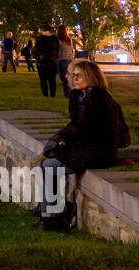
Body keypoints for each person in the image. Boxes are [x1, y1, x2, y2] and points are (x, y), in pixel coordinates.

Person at [34, 60, 122, 231]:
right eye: (73, 75)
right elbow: (75, 122)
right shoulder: (86, 95)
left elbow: (80, 128)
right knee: (47, 164)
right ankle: (51, 212)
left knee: (48, 165)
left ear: (90, 76)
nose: (74, 79)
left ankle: (52, 216)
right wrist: (73, 95)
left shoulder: (96, 98)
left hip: (97, 152)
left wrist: (59, 139)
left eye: (78, 76)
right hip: (88, 147)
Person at [34, 25, 60, 97]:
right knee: (52, 80)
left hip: (42, 62)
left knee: (43, 80)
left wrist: (36, 57)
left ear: (42, 30)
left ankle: (45, 95)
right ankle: (52, 95)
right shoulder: (55, 38)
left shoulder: (39, 39)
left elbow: (36, 50)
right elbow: (58, 49)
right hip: (52, 61)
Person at [57, 25, 76, 97]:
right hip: (70, 60)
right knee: (70, 78)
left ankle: (67, 95)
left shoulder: (59, 40)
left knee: (64, 79)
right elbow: (72, 50)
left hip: (63, 60)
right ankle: (72, 93)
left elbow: (60, 52)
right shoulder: (69, 40)